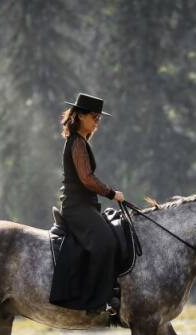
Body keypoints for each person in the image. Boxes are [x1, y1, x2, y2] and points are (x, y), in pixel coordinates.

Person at [52, 93, 124, 314]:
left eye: (99, 118)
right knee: (105, 242)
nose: (97, 122)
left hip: (85, 206)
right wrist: (112, 193)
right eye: (94, 117)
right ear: (80, 116)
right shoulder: (76, 142)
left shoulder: (81, 142)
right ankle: (95, 301)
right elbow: (86, 179)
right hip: (77, 207)